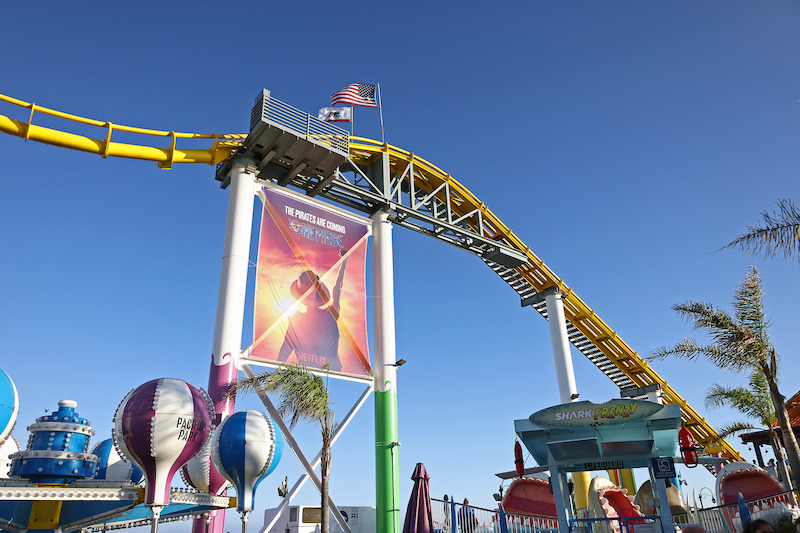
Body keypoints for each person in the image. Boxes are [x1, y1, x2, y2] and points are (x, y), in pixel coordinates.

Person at [277, 250, 349, 371]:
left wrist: (344, 261)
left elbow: (338, 289)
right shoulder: (298, 319)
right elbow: (285, 350)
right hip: (316, 374)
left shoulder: (328, 315)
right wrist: (344, 260)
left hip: (326, 373)